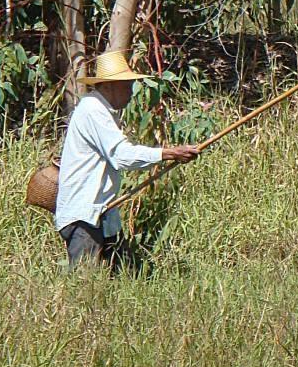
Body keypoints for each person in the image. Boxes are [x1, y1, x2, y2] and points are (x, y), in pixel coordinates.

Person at [54, 49, 200, 272]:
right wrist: (169, 153)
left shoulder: (100, 109)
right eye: (126, 85)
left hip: (101, 215)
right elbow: (122, 156)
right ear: (109, 85)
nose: (131, 91)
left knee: (125, 274)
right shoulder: (93, 110)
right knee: (83, 286)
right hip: (84, 216)